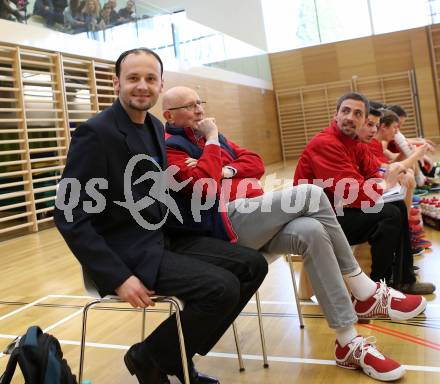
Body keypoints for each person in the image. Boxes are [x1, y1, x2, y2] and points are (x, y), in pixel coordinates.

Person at [163, 86, 427, 382]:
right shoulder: (170, 147)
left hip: (253, 217)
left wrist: (225, 168)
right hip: (221, 225)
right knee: (312, 195)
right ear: (169, 116)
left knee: (312, 230)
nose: (199, 110)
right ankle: (365, 290)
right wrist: (212, 144)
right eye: (189, 106)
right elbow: (202, 183)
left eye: (200, 102)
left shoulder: (216, 139)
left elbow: (255, 162)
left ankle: (347, 341)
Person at [54, 48, 268, 384]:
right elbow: (69, 214)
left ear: (160, 84)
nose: (142, 86)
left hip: (162, 237)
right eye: (133, 78)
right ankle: (156, 358)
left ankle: (166, 356)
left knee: (254, 265)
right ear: (116, 83)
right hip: (127, 253)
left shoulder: (154, 126)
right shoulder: (95, 134)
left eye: (150, 79)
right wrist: (118, 277)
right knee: (221, 288)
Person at [294, 92, 435, 295]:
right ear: (336, 115)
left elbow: (372, 174)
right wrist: (387, 183)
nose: (351, 117)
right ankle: (378, 289)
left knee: (396, 207)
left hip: (338, 211)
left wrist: (387, 179)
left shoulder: (356, 144)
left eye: (358, 114)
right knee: (389, 214)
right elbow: (355, 194)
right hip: (317, 221)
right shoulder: (326, 143)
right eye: (346, 111)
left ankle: (402, 279)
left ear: (362, 119)